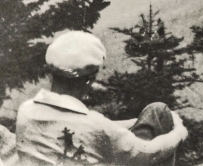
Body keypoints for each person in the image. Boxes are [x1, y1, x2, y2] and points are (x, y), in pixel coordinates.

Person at [16, 31, 188, 165]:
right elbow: (151, 153)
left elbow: (75, 125)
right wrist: (180, 131)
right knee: (160, 112)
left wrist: (139, 120)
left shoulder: (26, 111)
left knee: (155, 112)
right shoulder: (95, 126)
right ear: (89, 80)